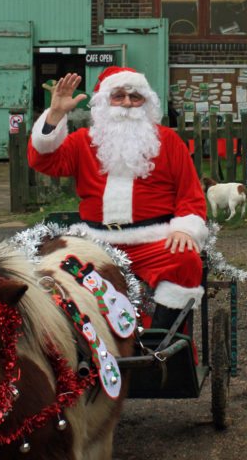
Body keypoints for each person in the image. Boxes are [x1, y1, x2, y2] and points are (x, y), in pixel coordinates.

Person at [27, 65, 208, 323]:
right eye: (119, 96)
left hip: (152, 241)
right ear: (104, 103)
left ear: (146, 104)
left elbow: (190, 194)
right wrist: (55, 114)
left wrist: (184, 229)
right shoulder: (82, 141)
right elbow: (42, 161)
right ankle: (84, 344)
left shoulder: (167, 141)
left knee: (186, 260)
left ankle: (162, 340)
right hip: (96, 242)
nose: (127, 103)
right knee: (58, 269)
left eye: (135, 97)